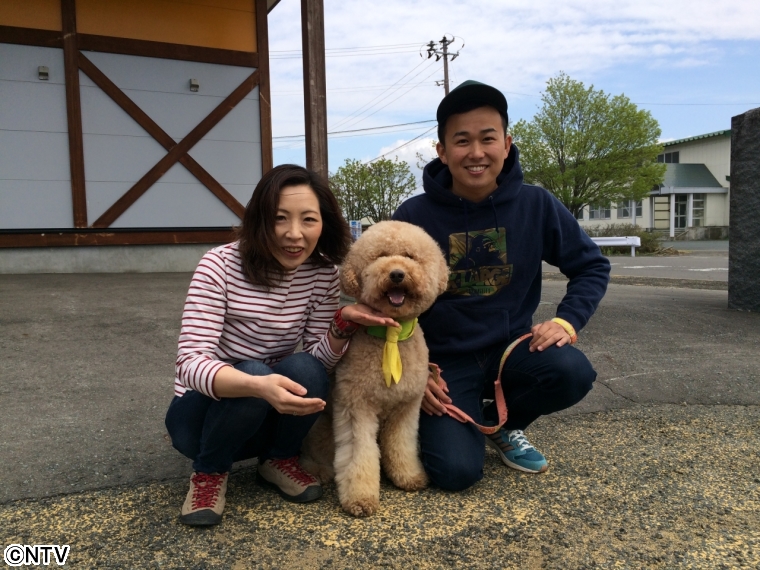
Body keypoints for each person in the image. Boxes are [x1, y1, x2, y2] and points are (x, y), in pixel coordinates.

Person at [392, 80, 611, 491]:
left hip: (510, 351)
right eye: (462, 141)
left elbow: (592, 266)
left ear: (507, 145)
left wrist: (566, 321)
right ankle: (455, 421)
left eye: (488, 138)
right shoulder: (412, 215)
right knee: (456, 473)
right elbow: (386, 303)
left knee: (571, 371)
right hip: (441, 362)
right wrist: (413, 373)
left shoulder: (537, 205)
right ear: (442, 151)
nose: (476, 152)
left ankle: (504, 424)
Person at [165, 164, 397, 526]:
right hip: (200, 420)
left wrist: (342, 326)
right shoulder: (218, 266)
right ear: (260, 219)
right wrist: (256, 385)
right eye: (280, 218)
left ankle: (278, 459)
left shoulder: (322, 273)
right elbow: (190, 363)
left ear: (324, 223)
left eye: (308, 219)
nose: (294, 234)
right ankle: (209, 471)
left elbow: (320, 361)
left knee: (307, 368)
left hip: (267, 412)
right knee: (254, 372)